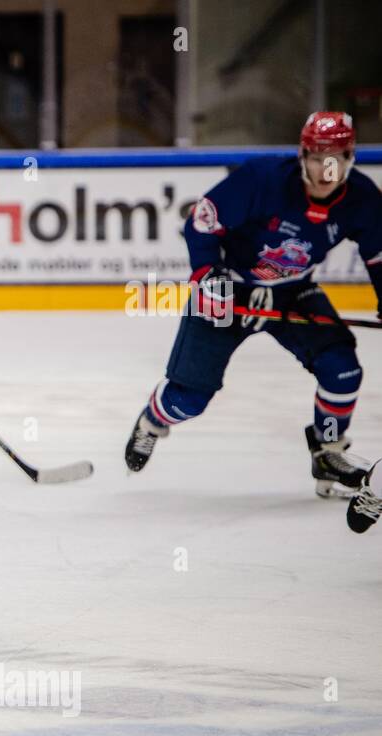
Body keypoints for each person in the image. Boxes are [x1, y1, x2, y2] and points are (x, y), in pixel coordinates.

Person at [124, 112, 382, 498]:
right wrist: (208, 276)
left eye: (335, 159)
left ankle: (328, 450)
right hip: (229, 289)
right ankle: (152, 421)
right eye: (316, 157)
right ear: (302, 154)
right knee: (188, 398)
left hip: (293, 291)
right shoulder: (263, 180)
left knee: (341, 369)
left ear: (350, 158)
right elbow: (202, 223)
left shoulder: (362, 198)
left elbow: (378, 255)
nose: (325, 170)